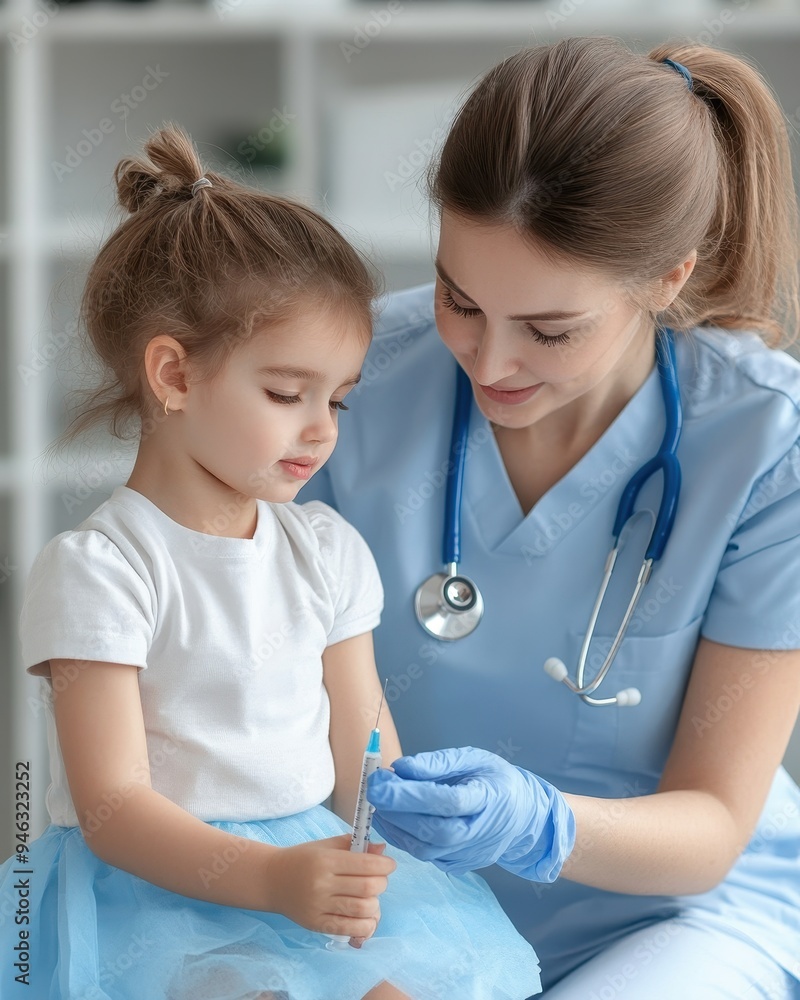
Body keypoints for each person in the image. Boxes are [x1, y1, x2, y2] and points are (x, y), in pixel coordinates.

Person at [297, 36, 800, 998]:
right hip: (388, 900)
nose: (488, 364)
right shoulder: (345, 379)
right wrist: (395, 948)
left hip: (671, 919)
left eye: (550, 330)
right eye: (458, 298)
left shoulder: (766, 442)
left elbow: (710, 828)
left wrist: (539, 823)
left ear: (668, 279)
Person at [0, 123, 543, 1000]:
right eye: (288, 394)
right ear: (173, 376)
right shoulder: (101, 569)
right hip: (160, 894)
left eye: (337, 397)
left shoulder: (325, 551)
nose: (322, 428)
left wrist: (403, 814)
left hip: (306, 871)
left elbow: (364, 747)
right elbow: (111, 809)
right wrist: (270, 883)